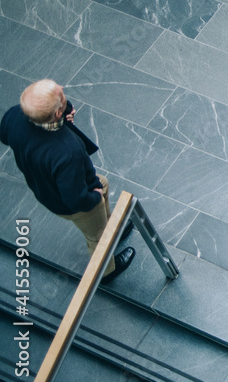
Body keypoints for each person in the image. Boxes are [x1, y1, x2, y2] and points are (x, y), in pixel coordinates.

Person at [0, 80, 134, 280]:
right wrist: (95, 197)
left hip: (45, 187)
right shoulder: (67, 151)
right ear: (56, 114)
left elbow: (5, 137)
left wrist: (64, 111)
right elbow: (76, 200)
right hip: (73, 203)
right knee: (97, 235)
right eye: (60, 95)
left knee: (103, 182)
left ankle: (111, 228)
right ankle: (106, 271)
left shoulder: (13, 116)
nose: (62, 88)